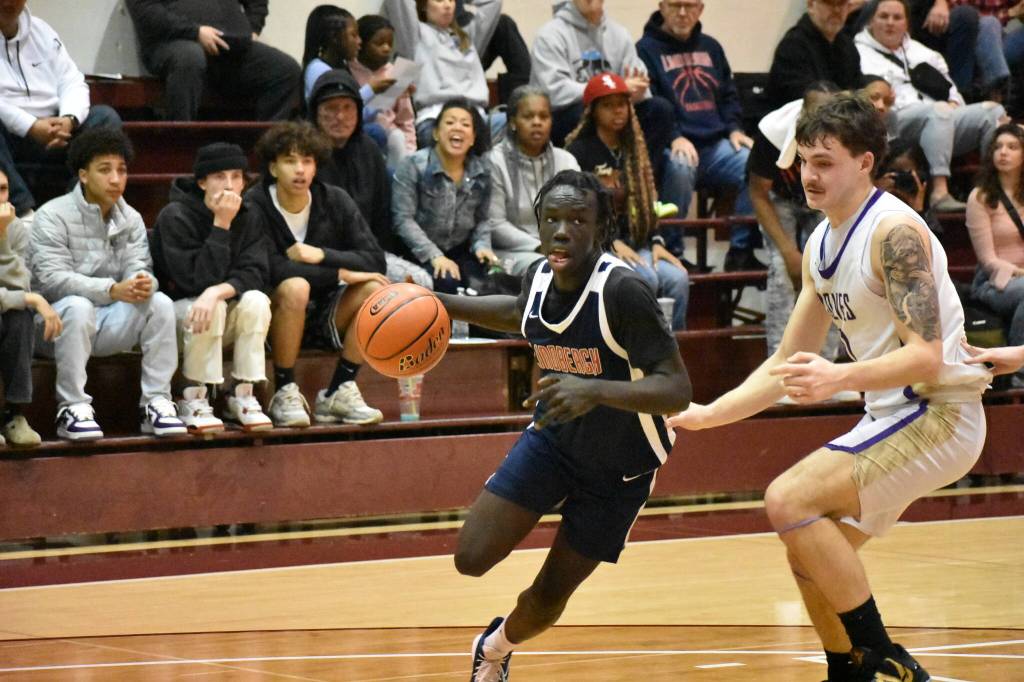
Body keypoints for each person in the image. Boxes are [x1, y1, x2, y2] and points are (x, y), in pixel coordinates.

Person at [670, 92, 991, 682]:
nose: (807, 175)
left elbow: (924, 357)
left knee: (788, 499)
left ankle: (885, 656)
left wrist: (838, 376)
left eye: (824, 162)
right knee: (807, 556)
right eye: (803, 161)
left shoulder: (893, 233)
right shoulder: (820, 241)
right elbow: (787, 362)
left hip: (939, 413)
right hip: (891, 416)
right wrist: (706, 415)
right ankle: (848, 669)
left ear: (865, 162)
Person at [439, 169, 691, 682]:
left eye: (578, 219)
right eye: (551, 218)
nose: (561, 230)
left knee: (547, 597)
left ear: (601, 229)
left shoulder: (624, 292)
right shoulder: (537, 276)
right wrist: (436, 303)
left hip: (621, 469)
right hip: (554, 442)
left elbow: (677, 390)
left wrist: (594, 389)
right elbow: (518, 312)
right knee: (471, 557)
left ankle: (495, 646)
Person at [29, 128, 187, 441]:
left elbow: (140, 267)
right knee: (78, 306)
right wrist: (112, 290)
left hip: (106, 321)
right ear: (84, 175)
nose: (116, 179)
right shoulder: (52, 215)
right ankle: (71, 407)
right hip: (51, 326)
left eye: (122, 170)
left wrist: (143, 283)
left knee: (160, 304)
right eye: (105, 170)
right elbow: (51, 280)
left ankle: (155, 402)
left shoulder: (131, 218)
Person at [246, 122, 387, 427]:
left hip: (323, 314)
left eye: (307, 161)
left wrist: (322, 254)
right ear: (273, 167)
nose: (300, 170)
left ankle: (339, 389)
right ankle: (284, 389)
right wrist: (338, 273)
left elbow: (375, 259)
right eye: (290, 160)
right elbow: (265, 267)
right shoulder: (255, 203)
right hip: (271, 316)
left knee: (376, 287)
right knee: (295, 286)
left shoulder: (334, 199)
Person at [150, 143, 273, 432]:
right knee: (209, 306)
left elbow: (257, 273)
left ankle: (242, 394)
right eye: (219, 176)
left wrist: (217, 291)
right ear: (202, 181)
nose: (229, 185)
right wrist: (221, 224)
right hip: (178, 318)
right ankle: (193, 395)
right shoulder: (175, 216)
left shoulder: (251, 215)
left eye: (236, 176)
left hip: (217, 308)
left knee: (255, 300)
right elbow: (194, 281)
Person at [636, 0, 762, 271]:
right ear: (662, 7)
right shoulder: (645, 49)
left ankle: (741, 250)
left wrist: (735, 129)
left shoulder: (712, 47)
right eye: (675, 5)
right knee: (681, 165)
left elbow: (728, 94)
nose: (683, 13)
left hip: (716, 144)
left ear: (701, 9)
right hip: (676, 144)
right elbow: (651, 103)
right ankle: (672, 251)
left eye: (690, 5)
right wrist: (674, 136)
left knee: (755, 161)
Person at [566, 73, 690, 330]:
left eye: (622, 104)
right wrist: (611, 243)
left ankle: (670, 355)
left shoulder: (635, 148)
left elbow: (646, 201)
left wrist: (656, 242)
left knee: (677, 278)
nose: (617, 111)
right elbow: (576, 212)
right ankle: (634, 354)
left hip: (638, 244)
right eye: (608, 105)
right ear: (593, 111)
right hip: (597, 247)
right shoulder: (579, 151)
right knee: (644, 278)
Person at [855, 0, 1006, 211]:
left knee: (993, 111)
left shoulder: (924, 53)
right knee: (939, 112)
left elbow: (953, 92)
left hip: (940, 119)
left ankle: (995, 189)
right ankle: (939, 192)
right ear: (871, 21)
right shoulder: (857, 53)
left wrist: (954, 102)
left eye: (897, 18)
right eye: (884, 17)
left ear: (906, 23)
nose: (890, 23)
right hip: (895, 123)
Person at [748, 82, 849, 369]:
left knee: (830, 270)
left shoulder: (846, 133)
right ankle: (777, 371)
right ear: (802, 116)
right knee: (782, 271)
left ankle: (825, 364)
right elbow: (758, 192)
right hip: (779, 199)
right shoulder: (772, 131)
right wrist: (789, 253)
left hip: (825, 200)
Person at [308, 69, 431, 288]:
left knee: (420, 283)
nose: (340, 116)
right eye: (331, 108)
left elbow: (382, 217)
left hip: (367, 255)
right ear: (316, 113)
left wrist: (378, 257)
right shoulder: (304, 154)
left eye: (348, 107)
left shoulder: (369, 150)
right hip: (319, 260)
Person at [530, 0, 675, 183]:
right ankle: (593, 187)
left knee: (660, 110)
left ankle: (639, 186)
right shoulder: (550, 35)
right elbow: (553, 91)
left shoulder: (619, 34)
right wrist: (613, 89)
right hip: (571, 116)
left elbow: (638, 80)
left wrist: (637, 89)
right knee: (583, 114)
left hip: (615, 110)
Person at [0, 0, 122, 218]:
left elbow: (72, 80)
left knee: (105, 118)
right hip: (10, 136)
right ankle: (23, 214)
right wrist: (31, 126)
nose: (8, 2)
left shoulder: (42, 32)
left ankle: (80, 211)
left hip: (57, 130)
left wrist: (69, 118)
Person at [125, 0, 300, 121]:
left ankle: (266, 152)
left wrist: (253, 26)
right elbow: (145, 11)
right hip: (170, 42)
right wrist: (195, 32)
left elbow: (257, 3)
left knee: (286, 70)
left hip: (228, 44)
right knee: (190, 57)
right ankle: (180, 147)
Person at [392, 97, 495, 294]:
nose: (457, 128)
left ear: (473, 138)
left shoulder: (482, 171)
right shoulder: (413, 165)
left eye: (465, 124)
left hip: (460, 250)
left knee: (486, 287)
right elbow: (403, 220)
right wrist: (434, 256)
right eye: (449, 122)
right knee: (448, 285)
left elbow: (482, 219)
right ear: (436, 133)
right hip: (418, 253)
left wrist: (482, 246)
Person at [382, 0, 504, 148]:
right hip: (435, 117)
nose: (447, 5)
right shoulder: (415, 36)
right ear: (424, 6)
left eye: (451, 0)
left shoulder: (467, 38)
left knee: (516, 123)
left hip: (476, 117)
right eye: (439, 0)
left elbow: (493, 3)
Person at [488, 86, 580, 277]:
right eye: (528, 117)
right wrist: (542, 245)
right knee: (548, 268)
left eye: (544, 117)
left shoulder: (566, 160)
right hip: (513, 252)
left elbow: (579, 214)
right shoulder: (495, 161)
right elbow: (495, 225)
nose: (537, 122)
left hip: (563, 247)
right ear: (513, 122)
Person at [0, 168, 60, 447]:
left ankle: (15, 414)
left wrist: (1, 236)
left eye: (2, 189)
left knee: (20, 318)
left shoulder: (14, 228)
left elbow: (19, 285)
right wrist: (31, 299)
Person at [964, 122, 1024, 387]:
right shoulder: (980, 197)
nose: (1003, 152)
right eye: (998, 147)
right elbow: (988, 260)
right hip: (994, 283)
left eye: (1012, 147)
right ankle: (1020, 376)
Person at [767, 0, 864, 109]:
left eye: (841, 4)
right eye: (830, 3)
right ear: (811, 5)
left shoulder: (847, 46)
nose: (837, 10)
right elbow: (802, 99)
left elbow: (858, 88)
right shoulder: (793, 45)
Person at [352, 15, 417, 165]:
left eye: (390, 44)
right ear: (361, 43)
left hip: (393, 143)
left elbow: (406, 120)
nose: (386, 48)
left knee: (397, 137)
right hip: (361, 137)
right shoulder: (348, 70)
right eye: (379, 43)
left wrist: (410, 154)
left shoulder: (398, 72)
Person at [455, 0, 531, 105]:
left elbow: (494, 2)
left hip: (463, 30)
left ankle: (522, 104)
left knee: (504, 24)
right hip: (440, 37)